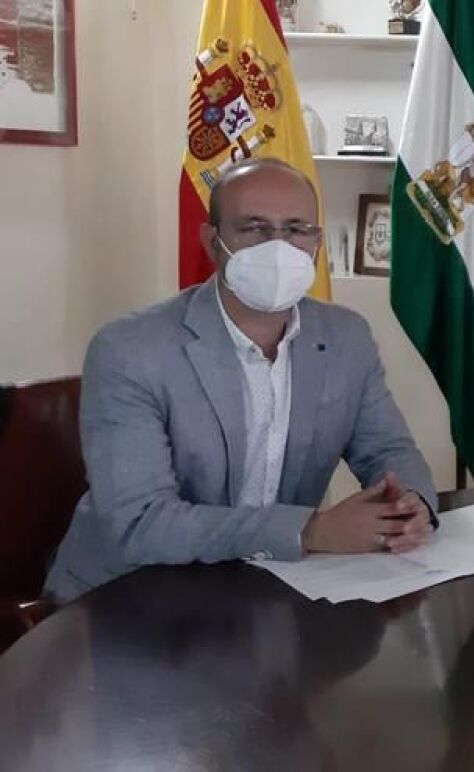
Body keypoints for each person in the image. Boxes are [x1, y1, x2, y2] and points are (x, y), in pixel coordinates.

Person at [45, 159, 437, 602]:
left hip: (264, 589)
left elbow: (388, 450)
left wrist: (410, 506)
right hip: (128, 596)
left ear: (317, 243)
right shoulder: (129, 350)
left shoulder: (346, 337)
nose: (278, 246)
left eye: (296, 229)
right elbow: (140, 523)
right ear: (213, 242)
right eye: (254, 228)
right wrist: (310, 530)